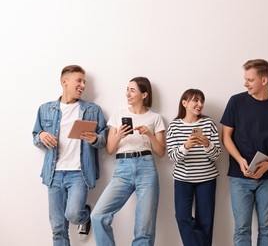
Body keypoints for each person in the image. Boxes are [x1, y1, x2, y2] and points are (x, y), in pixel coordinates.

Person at [32, 65, 108, 246]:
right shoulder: (45, 109)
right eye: (79, 81)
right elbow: (35, 136)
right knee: (58, 228)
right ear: (64, 82)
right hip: (54, 174)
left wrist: (95, 138)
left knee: (74, 214)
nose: (83, 85)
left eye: (85, 82)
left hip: (79, 174)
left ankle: (85, 215)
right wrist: (41, 135)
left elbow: (105, 138)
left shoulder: (92, 110)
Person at [220, 59, 268, 246]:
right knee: (242, 229)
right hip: (239, 176)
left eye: (250, 80)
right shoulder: (236, 102)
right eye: (245, 79)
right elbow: (226, 136)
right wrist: (240, 160)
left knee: (267, 230)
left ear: (264, 80)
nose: (246, 84)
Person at [91, 76, 166, 246]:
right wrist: (119, 135)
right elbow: (110, 150)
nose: (128, 94)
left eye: (132, 90)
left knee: (144, 228)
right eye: (127, 89)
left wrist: (149, 134)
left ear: (144, 94)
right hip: (122, 170)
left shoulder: (155, 118)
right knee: (97, 215)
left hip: (147, 169)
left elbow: (161, 152)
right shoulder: (118, 115)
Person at [166, 89, 222, 246]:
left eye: (201, 101)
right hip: (183, 179)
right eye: (195, 100)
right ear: (184, 103)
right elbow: (171, 157)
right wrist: (185, 146)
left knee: (205, 220)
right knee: (182, 217)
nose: (200, 104)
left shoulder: (208, 123)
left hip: (207, 179)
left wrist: (207, 144)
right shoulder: (174, 126)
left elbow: (216, 156)